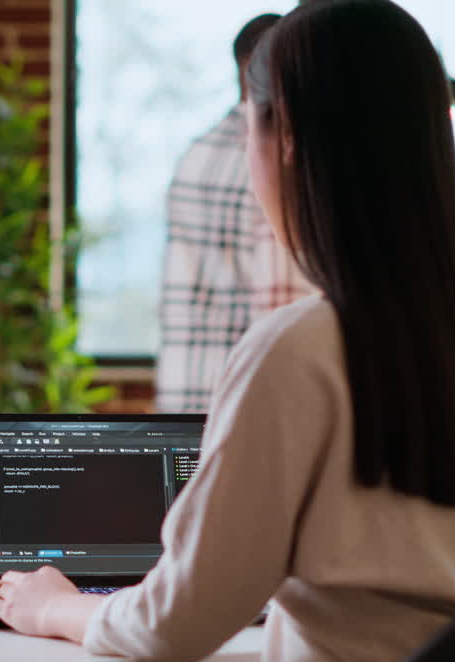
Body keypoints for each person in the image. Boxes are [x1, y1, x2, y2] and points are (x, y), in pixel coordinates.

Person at [0, 1, 455, 662]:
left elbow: (181, 619)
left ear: (286, 135)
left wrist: (57, 607)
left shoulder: (296, 353)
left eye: (250, 127)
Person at [156, 12, 312, 413]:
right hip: (248, 404)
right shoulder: (273, 154)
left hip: (186, 392)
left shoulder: (198, 152)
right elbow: (283, 311)